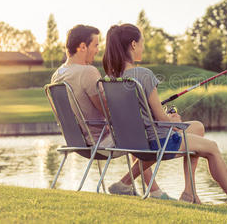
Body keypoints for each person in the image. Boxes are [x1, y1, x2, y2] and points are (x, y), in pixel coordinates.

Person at [103, 23, 227, 209]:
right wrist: (172, 120)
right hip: (157, 141)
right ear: (133, 44)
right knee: (212, 148)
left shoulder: (112, 79)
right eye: (142, 43)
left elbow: (138, 115)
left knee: (197, 128)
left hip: (135, 141)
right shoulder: (144, 75)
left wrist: (165, 120)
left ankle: (190, 193)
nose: (143, 47)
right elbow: (161, 119)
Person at [51, 24, 171, 199]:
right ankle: (142, 188)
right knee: (146, 132)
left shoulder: (57, 75)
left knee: (132, 132)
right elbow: (110, 112)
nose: (98, 50)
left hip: (78, 142)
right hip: (101, 142)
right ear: (82, 47)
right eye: (96, 45)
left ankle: (152, 190)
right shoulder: (88, 72)